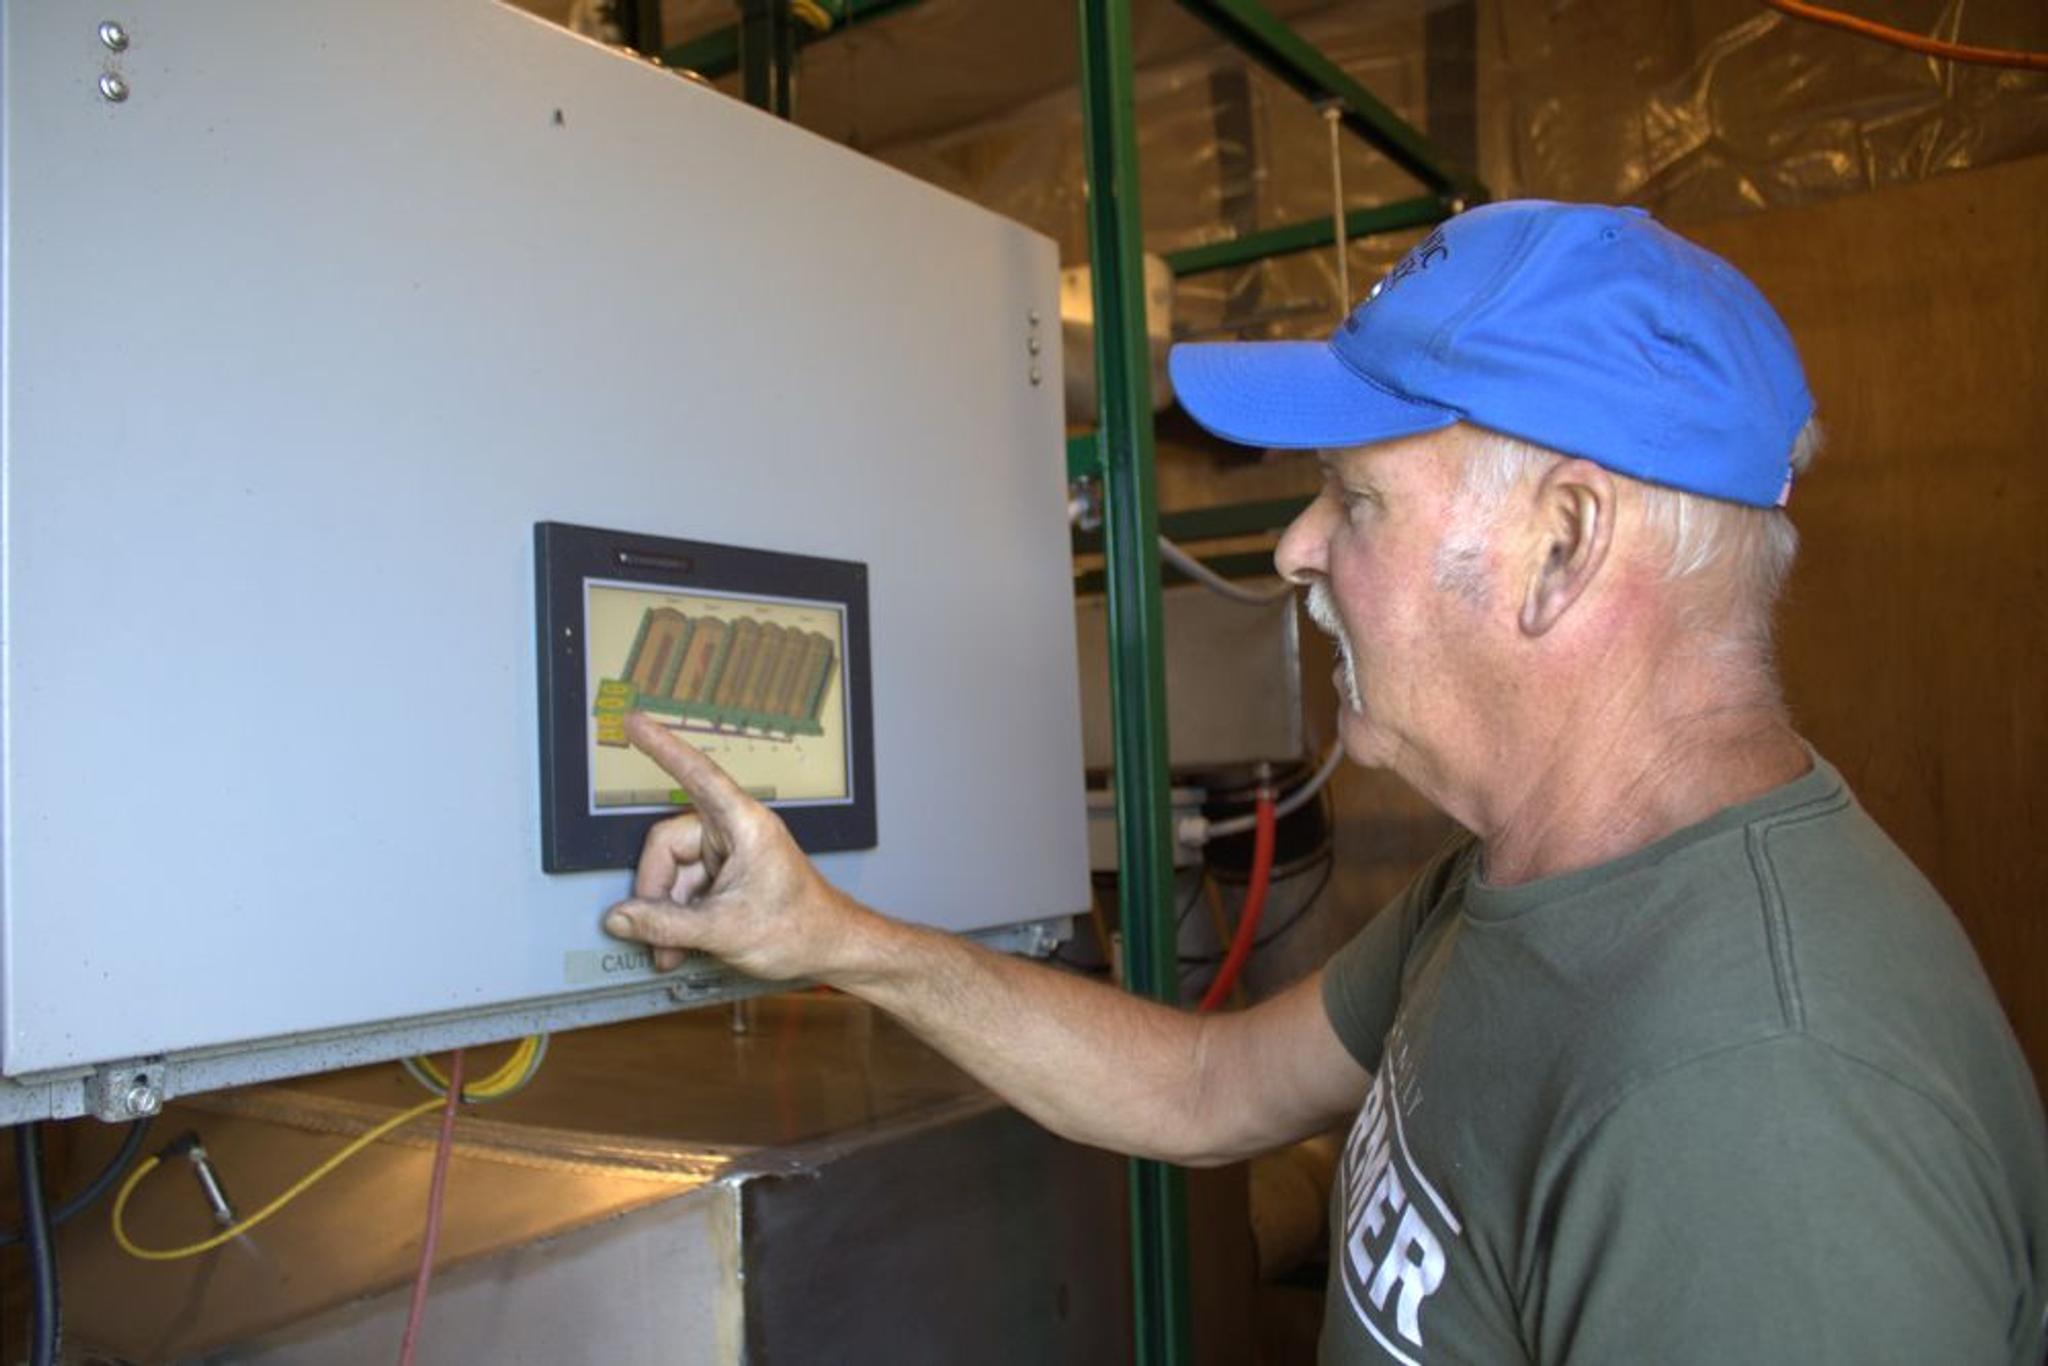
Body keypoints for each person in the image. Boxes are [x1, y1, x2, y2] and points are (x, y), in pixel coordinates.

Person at [601, 200, 2048, 1363]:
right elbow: (1210, 1082)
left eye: (1354, 499)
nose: (1296, 549)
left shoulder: (1765, 1107)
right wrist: (827, 934)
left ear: (1562, 544)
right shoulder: (1515, 886)